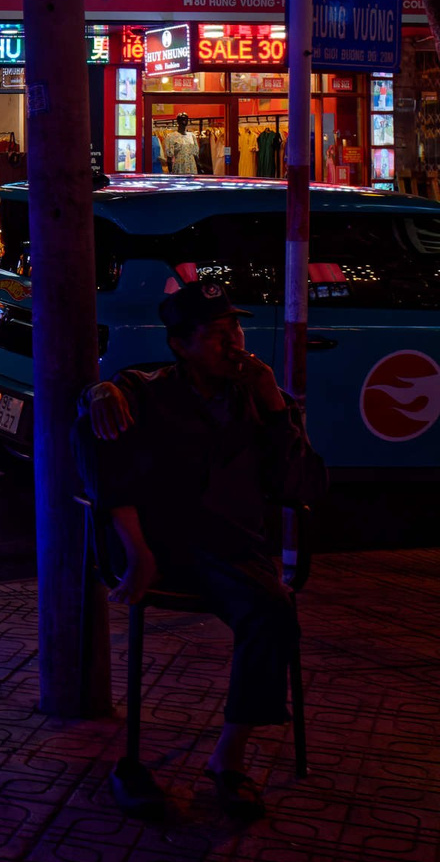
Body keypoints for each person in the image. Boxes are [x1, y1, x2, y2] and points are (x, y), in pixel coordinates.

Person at [76, 281, 328, 822]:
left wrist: (275, 405)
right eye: (216, 334)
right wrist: (95, 392)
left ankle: (227, 758)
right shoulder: (148, 391)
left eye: (235, 329)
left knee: (272, 612)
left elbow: (302, 485)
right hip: (164, 547)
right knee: (98, 426)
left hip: (235, 551)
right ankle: (143, 767)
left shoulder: (258, 399)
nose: (234, 343)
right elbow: (102, 441)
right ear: (180, 344)